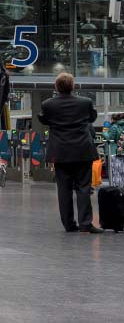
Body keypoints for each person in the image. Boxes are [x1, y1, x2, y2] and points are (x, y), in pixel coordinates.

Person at [39, 73, 103, 233]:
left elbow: (44, 120)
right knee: (83, 187)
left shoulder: (48, 104)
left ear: (56, 87)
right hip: (82, 150)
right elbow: (92, 118)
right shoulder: (85, 103)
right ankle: (86, 223)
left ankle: (69, 224)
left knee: (64, 188)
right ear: (73, 86)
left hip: (60, 152)